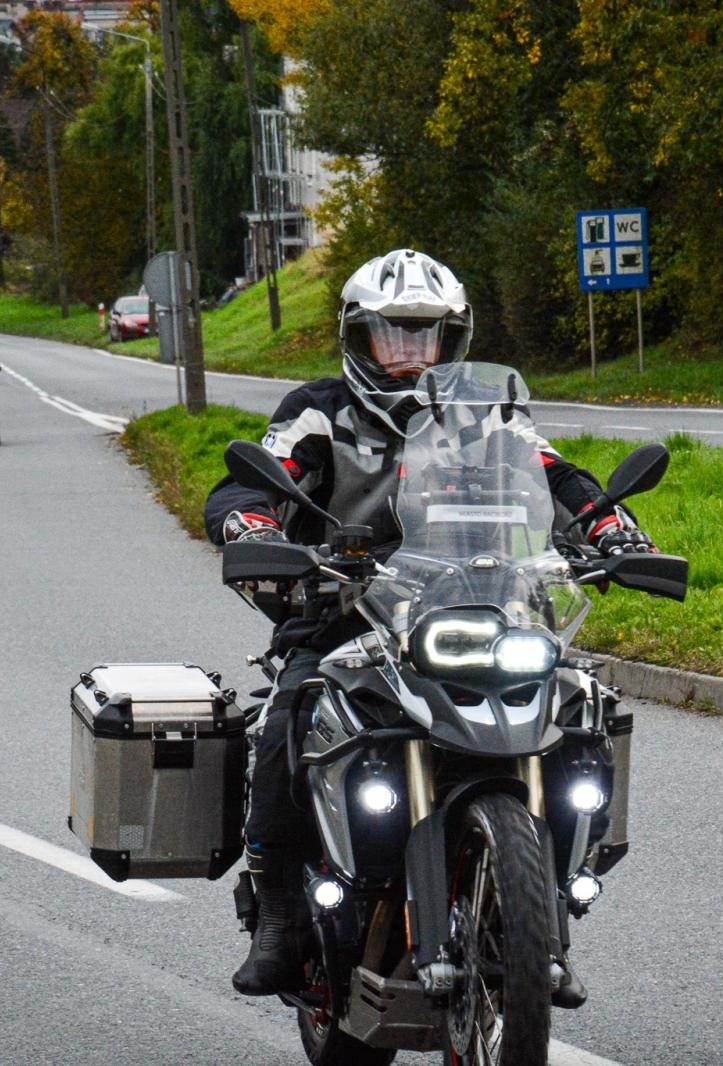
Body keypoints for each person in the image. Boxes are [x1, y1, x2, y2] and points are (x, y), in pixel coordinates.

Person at [204, 249, 656, 1002]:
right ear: (360, 337)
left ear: (454, 340)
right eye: (394, 335)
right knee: (291, 717)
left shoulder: (486, 415)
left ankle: (546, 909)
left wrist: (612, 529)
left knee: (577, 709)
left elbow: (559, 477)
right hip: (343, 612)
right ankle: (278, 911)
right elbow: (251, 485)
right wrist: (253, 527)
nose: (413, 353)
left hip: (477, 606)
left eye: (428, 335)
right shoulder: (319, 412)